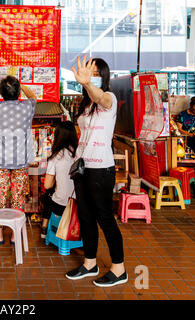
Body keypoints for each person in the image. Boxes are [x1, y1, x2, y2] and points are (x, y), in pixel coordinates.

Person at [65, 55, 126, 288]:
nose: (93, 78)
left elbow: (102, 98)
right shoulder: (86, 104)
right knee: (86, 217)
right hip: (83, 169)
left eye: (97, 75)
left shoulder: (108, 97)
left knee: (105, 218)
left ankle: (119, 269)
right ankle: (90, 264)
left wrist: (88, 83)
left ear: (104, 77)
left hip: (101, 169)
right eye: (91, 74)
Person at [0, 75, 36, 244]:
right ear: (18, 91)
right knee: (18, 197)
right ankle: (15, 234)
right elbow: (33, 97)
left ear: (2, 92)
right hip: (20, 160)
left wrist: (0, 91)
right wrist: (22, 87)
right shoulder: (27, 107)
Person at [40, 121, 78, 239]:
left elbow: (47, 185)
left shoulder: (56, 156)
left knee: (47, 194)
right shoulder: (80, 153)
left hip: (62, 206)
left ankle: (44, 228)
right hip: (80, 205)